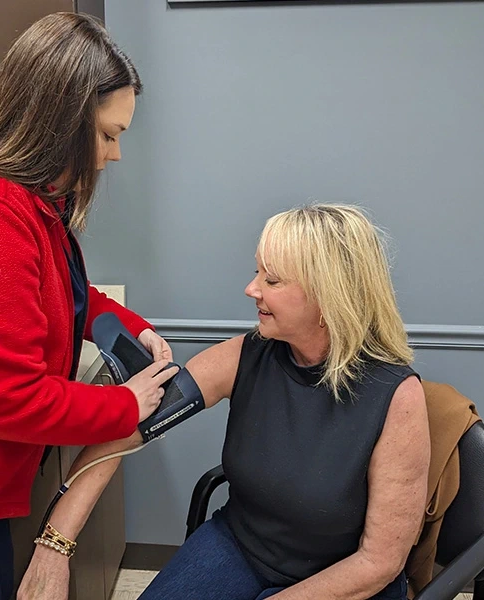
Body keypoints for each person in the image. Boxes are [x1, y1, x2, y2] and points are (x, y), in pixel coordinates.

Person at [0, 12, 178, 600]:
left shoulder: (25, 201)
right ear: (57, 123)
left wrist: (127, 327)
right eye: (107, 134)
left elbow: (67, 293)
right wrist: (124, 405)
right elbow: (7, 399)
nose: (115, 155)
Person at [26, 204, 430, 600]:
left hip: (346, 579)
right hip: (241, 548)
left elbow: (379, 562)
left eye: (271, 280)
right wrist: (53, 547)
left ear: (328, 297)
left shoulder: (396, 397)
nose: (251, 289)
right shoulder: (244, 357)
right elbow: (126, 431)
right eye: (257, 272)